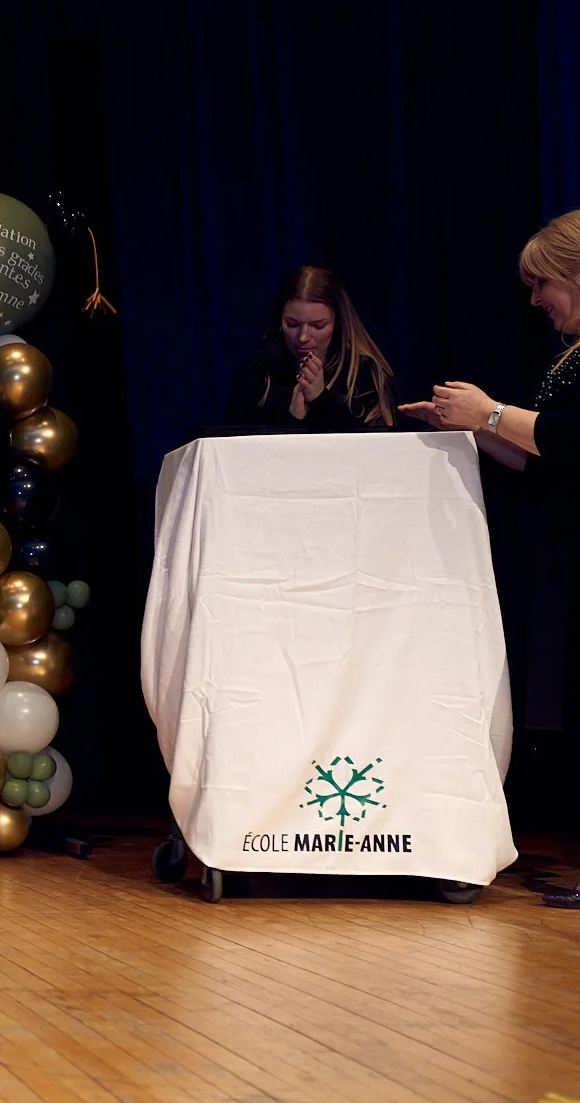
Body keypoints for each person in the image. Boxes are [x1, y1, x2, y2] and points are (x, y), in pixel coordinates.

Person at [399, 211, 580, 908]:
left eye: (544, 284)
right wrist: (468, 429)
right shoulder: (570, 350)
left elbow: (572, 437)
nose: (537, 300)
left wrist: (491, 412)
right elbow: (548, 461)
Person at [224, 265, 399, 431]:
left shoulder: (367, 373)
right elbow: (234, 449)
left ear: (337, 323)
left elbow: (376, 450)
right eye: (292, 324)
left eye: (318, 326)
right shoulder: (257, 374)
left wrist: (320, 400)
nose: (303, 337)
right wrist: (291, 419)